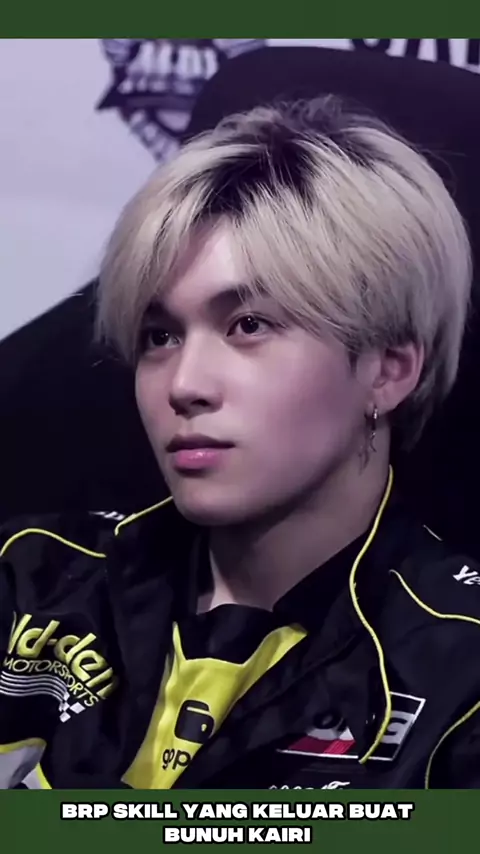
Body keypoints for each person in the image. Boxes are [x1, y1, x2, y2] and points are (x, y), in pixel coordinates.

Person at [1, 95, 480, 790]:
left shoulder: (459, 671)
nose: (184, 384)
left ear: (388, 369)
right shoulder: (26, 580)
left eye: (249, 325)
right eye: (160, 335)